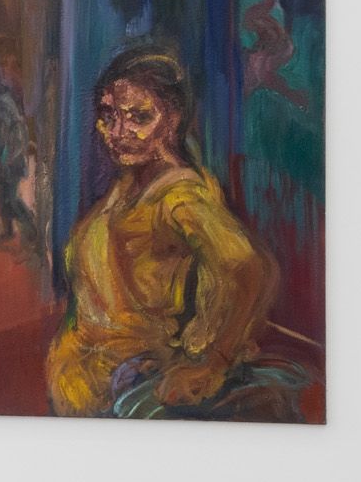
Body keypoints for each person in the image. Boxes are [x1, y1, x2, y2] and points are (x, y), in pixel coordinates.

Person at [43, 40, 290, 418]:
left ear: (172, 120)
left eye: (139, 117)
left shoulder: (179, 194)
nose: (118, 131)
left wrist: (212, 363)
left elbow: (246, 266)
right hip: (84, 387)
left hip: (128, 385)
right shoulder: (125, 188)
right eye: (108, 115)